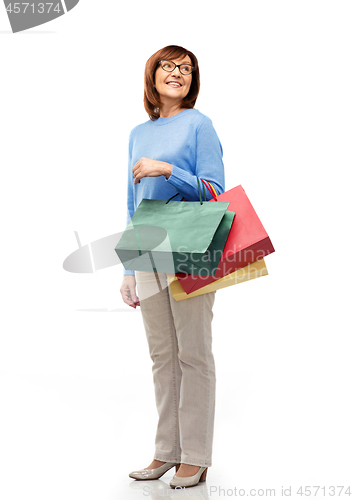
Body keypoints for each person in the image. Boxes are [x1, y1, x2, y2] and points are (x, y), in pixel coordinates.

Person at [120, 45, 225, 489]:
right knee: (162, 356)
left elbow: (215, 190)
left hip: (190, 244)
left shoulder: (200, 125)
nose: (177, 72)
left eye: (185, 68)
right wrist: (128, 268)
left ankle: (196, 456)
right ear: (153, 75)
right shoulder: (138, 133)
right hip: (147, 246)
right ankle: (167, 451)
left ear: (192, 80)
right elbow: (132, 201)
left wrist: (169, 170)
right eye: (168, 65)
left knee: (193, 354)